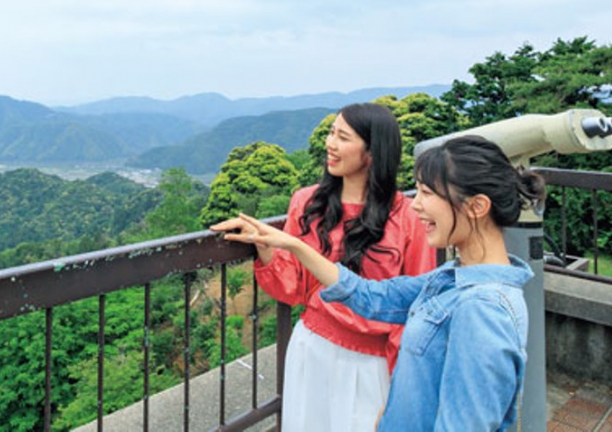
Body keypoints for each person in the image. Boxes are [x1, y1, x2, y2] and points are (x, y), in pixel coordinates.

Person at [217, 134, 546, 432]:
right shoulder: (453, 279)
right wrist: (290, 243)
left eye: (428, 193)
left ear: (476, 206)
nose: (415, 204)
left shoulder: (483, 309)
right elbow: (372, 296)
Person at [211, 102, 435, 431]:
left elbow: (415, 306)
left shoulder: (407, 215)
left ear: (372, 152)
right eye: (331, 132)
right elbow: (292, 287)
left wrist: (402, 389)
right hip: (312, 348)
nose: (330, 144)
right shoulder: (307, 202)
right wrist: (263, 242)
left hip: (374, 363)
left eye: (343, 137)